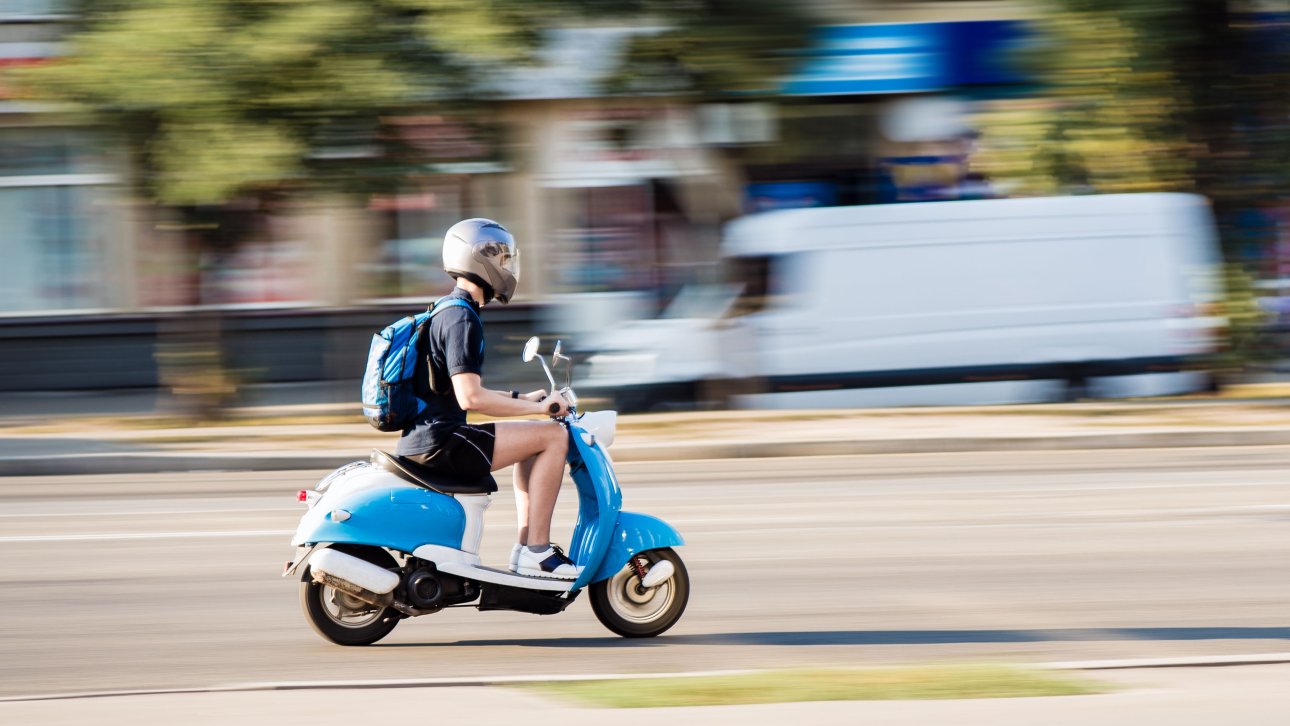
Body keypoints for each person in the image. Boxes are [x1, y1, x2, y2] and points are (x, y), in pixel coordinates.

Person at [396, 218, 581, 579]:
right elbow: (470, 397)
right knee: (554, 436)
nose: (507, 268)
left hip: (429, 438)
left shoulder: (448, 310)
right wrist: (540, 409)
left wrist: (523, 398)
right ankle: (537, 552)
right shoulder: (462, 319)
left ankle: (528, 547)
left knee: (535, 435)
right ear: (479, 261)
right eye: (502, 259)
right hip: (443, 443)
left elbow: (454, 388)